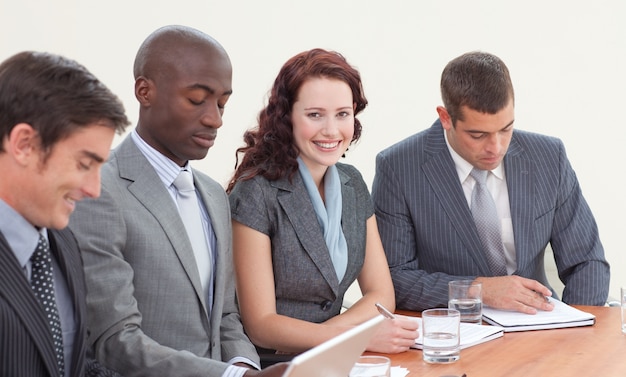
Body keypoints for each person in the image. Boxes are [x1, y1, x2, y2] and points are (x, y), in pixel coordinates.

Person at [68, 25, 287, 377]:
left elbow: (226, 316)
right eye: (197, 99)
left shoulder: (214, 194)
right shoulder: (98, 190)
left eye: (222, 103)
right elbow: (115, 340)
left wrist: (244, 365)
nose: (214, 118)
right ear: (145, 91)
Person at [371, 51, 610, 314]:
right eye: (478, 134)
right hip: (456, 331)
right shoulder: (398, 167)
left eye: (506, 129)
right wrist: (478, 289)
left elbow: (587, 262)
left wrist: (574, 325)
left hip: (538, 325)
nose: (495, 148)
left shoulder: (548, 157)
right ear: (445, 117)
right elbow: (396, 279)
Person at [226, 48, 419, 362]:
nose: (331, 130)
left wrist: (336, 338)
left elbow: (381, 293)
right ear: (287, 116)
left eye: (342, 114)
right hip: (272, 362)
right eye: (315, 114)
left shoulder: (352, 183)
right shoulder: (256, 192)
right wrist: (357, 337)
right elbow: (260, 325)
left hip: (333, 357)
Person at [0, 51, 130, 376]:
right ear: (24, 144)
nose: (94, 190)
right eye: (84, 165)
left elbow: (75, 365)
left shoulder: (63, 242)